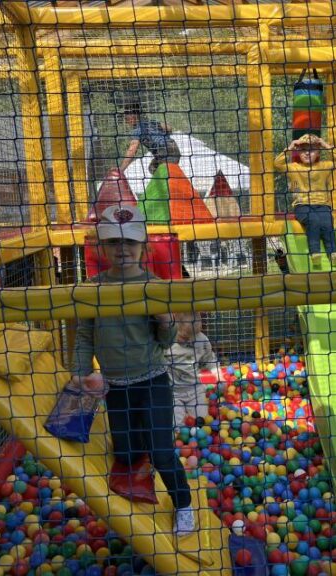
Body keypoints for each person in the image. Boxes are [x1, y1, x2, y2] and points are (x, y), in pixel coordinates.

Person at [71, 205, 195, 536]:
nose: (122, 249)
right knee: (126, 454)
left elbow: (166, 341)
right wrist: (81, 372)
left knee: (161, 451)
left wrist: (165, 321)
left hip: (152, 381)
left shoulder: (153, 285)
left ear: (143, 246)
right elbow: (84, 336)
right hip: (115, 387)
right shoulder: (93, 288)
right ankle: (140, 460)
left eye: (130, 241)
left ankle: (183, 503)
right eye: (114, 242)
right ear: (102, 247)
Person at [274, 134, 336, 269]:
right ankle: (315, 253)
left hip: (322, 205)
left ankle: (333, 253)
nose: (307, 153)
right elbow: (277, 164)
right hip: (302, 206)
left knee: (327, 221)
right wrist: (290, 147)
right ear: (298, 151)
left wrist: (325, 144)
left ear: (318, 151)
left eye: (312, 150)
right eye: (303, 150)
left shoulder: (324, 166)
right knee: (313, 220)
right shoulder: (294, 167)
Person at [164, 312, 221, 429]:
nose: (189, 340)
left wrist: (219, 375)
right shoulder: (168, 342)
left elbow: (210, 359)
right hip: (174, 393)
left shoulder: (201, 340)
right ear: (174, 328)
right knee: (176, 425)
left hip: (195, 390)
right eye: (184, 337)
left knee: (202, 422)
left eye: (193, 335)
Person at [118, 102, 181, 175]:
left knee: (155, 169)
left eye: (126, 119)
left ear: (132, 118)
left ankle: (171, 181)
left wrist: (121, 169)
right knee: (154, 167)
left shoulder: (137, 130)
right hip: (174, 148)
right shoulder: (151, 122)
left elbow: (132, 151)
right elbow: (169, 128)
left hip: (164, 152)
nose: (126, 122)